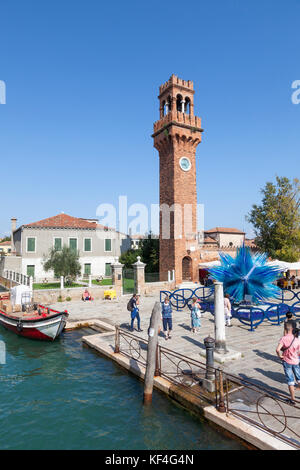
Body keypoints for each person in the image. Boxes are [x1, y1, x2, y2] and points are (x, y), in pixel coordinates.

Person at [276, 320, 300, 405]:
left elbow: (277, 349)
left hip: (287, 361)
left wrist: (280, 356)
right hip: (296, 361)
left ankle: (293, 399)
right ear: (293, 328)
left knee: (290, 381)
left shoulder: (284, 338)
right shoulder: (297, 339)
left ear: (286, 328)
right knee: (299, 377)